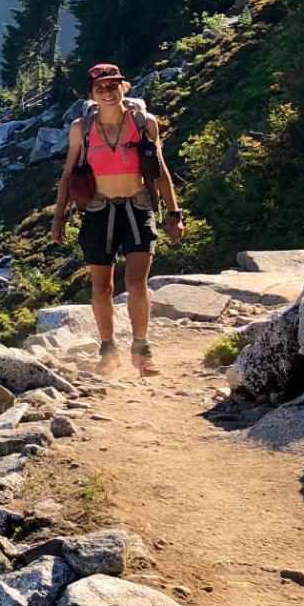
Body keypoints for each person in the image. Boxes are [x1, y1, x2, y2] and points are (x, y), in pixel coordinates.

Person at [50, 62, 184, 373]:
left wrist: (174, 213)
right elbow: (68, 175)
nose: (108, 92)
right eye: (101, 88)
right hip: (99, 210)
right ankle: (108, 351)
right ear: (92, 94)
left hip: (138, 207)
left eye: (113, 86)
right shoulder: (81, 129)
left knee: (136, 283)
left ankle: (142, 349)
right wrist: (59, 217)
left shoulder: (144, 123)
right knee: (102, 288)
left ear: (124, 87)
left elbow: (160, 170)